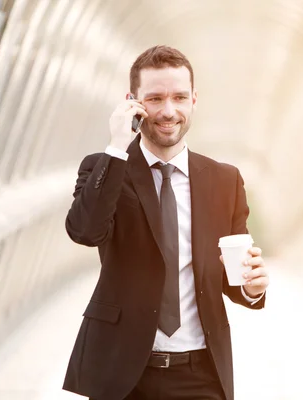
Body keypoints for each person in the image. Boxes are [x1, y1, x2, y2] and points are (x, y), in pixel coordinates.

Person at [62, 45, 269, 400]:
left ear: (194, 100)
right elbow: (85, 230)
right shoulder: (107, 167)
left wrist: (252, 287)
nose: (169, 111)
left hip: (201, 373)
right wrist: (116, 146)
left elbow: (233, 275)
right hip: (121, 372)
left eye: (179, 97)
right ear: (133, 102)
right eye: (155, 99)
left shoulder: (224, 180)